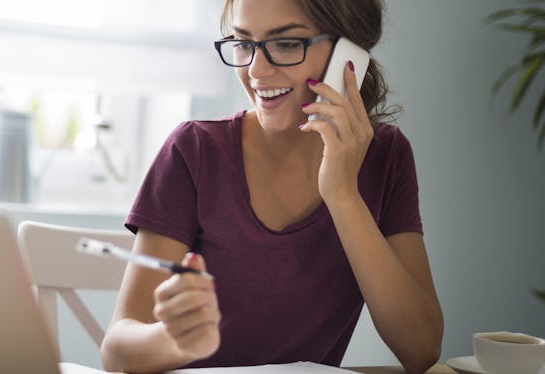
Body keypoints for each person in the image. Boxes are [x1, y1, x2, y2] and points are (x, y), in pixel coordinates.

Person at [100, 0, 444, 373]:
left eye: (286, 44)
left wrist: (343, 194)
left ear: (349, 55)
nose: (256, 70)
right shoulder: (194, 150)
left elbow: (420, 348)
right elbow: (117, 350)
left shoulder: (385, 156)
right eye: (244, 43)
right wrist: (175, 338)